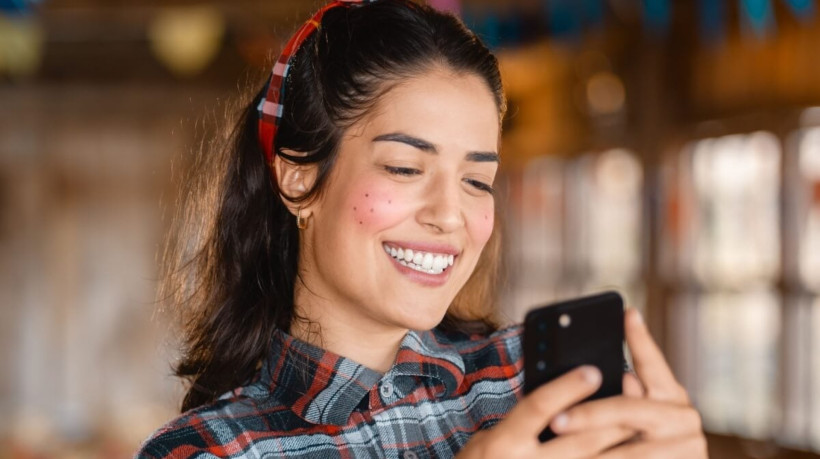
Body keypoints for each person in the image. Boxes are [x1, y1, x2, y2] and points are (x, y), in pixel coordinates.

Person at [137, 0, 706, 457]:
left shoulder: (536, 385)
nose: (450, 214)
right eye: (405, 169)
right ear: (297, 180)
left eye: (477, 181)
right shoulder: (212, 450)